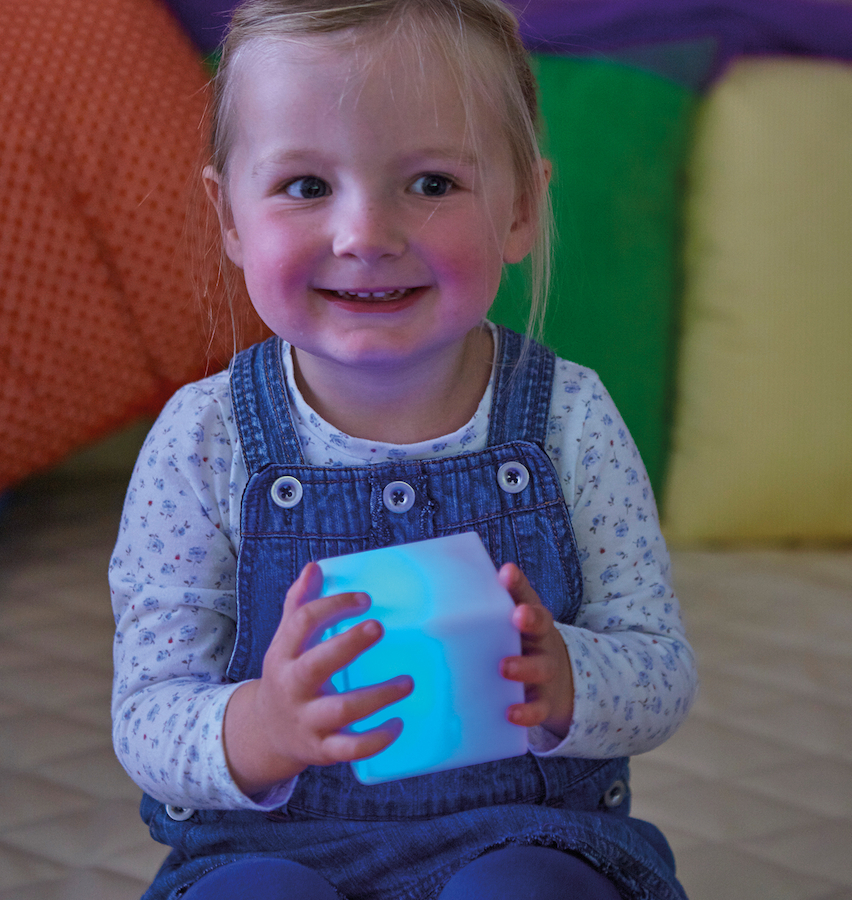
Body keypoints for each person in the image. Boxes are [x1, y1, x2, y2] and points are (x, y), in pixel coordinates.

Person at [109, 1, 697, 897]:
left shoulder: (570, 417)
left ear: (520, 207)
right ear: (229, 216)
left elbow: (660, 669)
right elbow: (147, 716)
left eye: (430, 183)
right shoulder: (203, 439)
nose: (366, 237)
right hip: (271, 852)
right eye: (306, 186)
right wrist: (264, 724)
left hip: (527, 833)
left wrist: (570, 676)